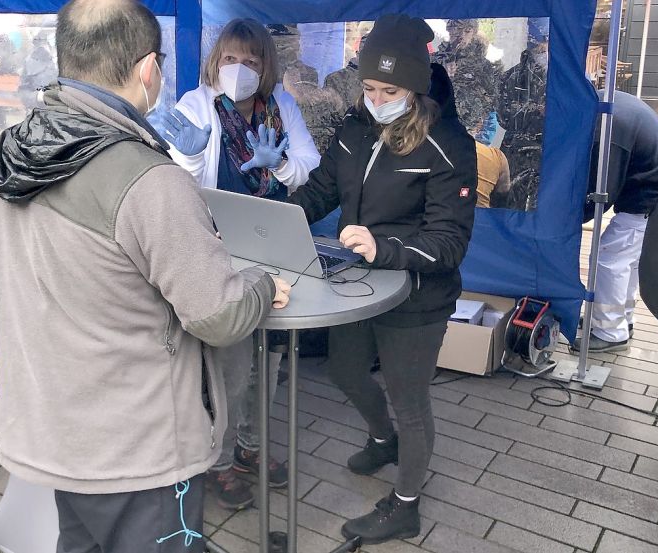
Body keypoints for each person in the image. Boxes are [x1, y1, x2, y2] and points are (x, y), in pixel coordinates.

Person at [0, 1, 291, 551]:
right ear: (150, 69)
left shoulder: (13, 153)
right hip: (139, 452)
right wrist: (263, 285)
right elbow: (219, 315)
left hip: (58, 429)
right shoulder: (148, 180)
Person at [287, 14, 477, 545]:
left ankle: (406, 504)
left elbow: (449, 241)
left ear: (416, 88)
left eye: (389, 89)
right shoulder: (354, 128)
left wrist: (386, 247)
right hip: (361, 285)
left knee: (408, 397)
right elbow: (323, 188)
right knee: (345, 370)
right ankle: (382, 438)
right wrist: (277, 216)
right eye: (368, 87)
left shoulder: (449, 146)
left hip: (418, 295)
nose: (375, 98)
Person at [151, 18, 320, 510]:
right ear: (215, 62)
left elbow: (306, 165)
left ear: (266, 65)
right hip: (214, 250)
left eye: (250, 61)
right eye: (230, 60)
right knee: (230, 363)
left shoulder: (281, 107)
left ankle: (249, 446)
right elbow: (174, 178)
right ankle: (218, 462)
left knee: (268, 360)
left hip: (269, 248)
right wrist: (191, 154)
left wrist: (279, 164)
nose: (239, 70)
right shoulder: (195, 105)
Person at [573, 90, 658, 352]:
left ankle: (610, 332)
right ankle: (620, 319)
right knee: (628, 260)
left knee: (609, 259)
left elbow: (603, 192)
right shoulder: (608, 102)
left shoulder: (609, 126)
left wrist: (574, 217)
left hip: (654, 197)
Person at [427, 61, 510, 208]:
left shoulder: (419, 151)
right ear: (480, 121)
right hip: (481, 226)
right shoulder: (496, 158)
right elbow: (503, 201)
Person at [496, 17, 549, 211]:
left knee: (509, 210)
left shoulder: (509, 75)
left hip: (512, 153)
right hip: (546, 153)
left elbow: (502, 118)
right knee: (539, 214)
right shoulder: (558, 79)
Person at [432, 19, 502, 144]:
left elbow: (492, 107)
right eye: (456, 30)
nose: (461, 36)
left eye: (467, 31)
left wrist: (481, 142)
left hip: (470, 137)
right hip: (436, 134)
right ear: (449, 30)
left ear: (474, 32)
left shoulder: (483, 66)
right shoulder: (434, 61)